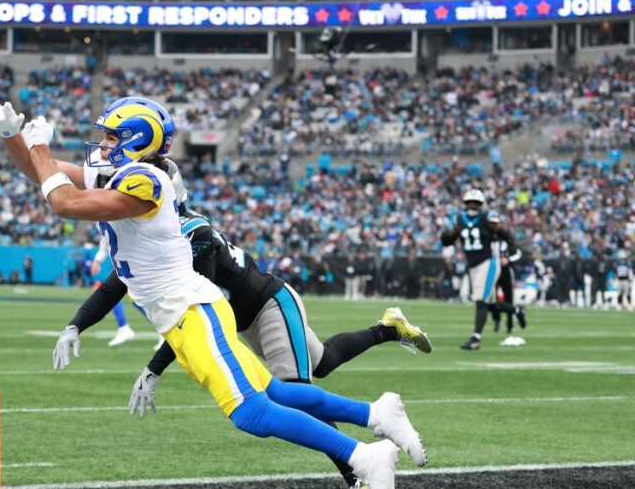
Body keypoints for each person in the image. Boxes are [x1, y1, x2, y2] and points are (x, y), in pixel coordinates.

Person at [0, 98, 423, 488]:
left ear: (137, 141)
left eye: (112, 137)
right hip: (178, 316)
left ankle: (363, 457)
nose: (102, 144)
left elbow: (65, 203)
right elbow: (41, 173)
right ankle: (376, 414)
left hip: (192, 310)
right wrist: (12, 137)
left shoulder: (145, 180)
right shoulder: (116, 173)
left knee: (251, 412)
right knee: (276, 394)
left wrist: (39, 144)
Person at [64, 168, 432, 487]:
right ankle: (388, 334)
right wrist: (75, 326)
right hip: (238, 319)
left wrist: (154, 368)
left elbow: (195, 308)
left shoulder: (192, 237)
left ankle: (360, 472)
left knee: (285, 393)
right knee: (320, 364)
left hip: (267, 305)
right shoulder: (156, 238)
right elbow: (115, 285)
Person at [440, 189, 519, 351]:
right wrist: (447, 235)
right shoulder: (460, 219)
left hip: (488, 263)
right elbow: (447, 241)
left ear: (480, 205)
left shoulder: (486, 218)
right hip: (473, 266)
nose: (472, 205)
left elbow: (508, 237)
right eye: (470, 203)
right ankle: (517, 310)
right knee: (489, 304)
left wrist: (498, 230)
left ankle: (476, 338)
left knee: (480, 300)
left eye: (475, 203)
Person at [487, 212, 527, 346]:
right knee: (491, 299)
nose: (493, 226)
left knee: (509, 298)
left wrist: (507, 260)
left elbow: (518, 253)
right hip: (493, 270)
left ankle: (510, 324)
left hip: (505, 271)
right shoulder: (488, 237)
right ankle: (497, 321)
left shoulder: (507, 238)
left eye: (495, 223)